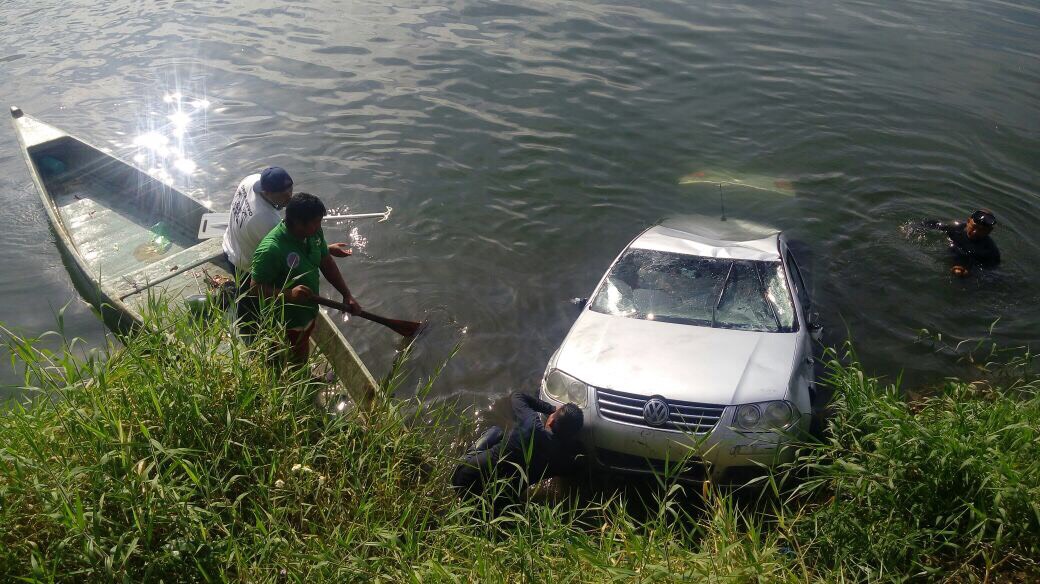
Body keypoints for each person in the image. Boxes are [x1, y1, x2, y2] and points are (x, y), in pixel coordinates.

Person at [249, 193, 362, 363]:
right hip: (285, 318)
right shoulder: (271, 249)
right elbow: (254, 288)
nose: (319, 226)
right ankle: (295, 376)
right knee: (289, 349)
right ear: (297, 222)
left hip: (307, 310)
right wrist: (289, 294)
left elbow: (326, 262)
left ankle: (296, 369)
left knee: (301, 344)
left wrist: (347, 295)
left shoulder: (314, 234)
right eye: (315, 222)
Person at [451, 392, 584, 503]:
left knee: (497, 430)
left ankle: (467, 455)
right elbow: (574, 468)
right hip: (497, 503)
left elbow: (518, 395)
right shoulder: (562, 461)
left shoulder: (531, 424)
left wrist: (552, 409)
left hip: (462, 479)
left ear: (552, 420)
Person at [923, 209, 1000, 277]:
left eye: (982, 230)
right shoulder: (956, 228)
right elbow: (934, 224)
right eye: (974, 227)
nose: (975, 232)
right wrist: (915, 228)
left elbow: (990, 273)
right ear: (968, 221)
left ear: (989, 231)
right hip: (948, 254)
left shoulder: (991, 252)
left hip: (966, 265)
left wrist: (969, 273)